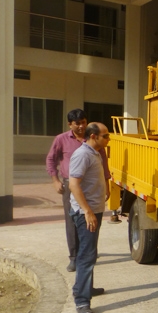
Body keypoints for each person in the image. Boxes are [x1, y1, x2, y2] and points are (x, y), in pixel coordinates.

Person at [46, 109, 110, 272]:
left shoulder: (93, 138)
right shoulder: (62, 139)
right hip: (72, 185)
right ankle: (74, 257)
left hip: (93, 186)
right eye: (77, 123)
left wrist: (107, 186)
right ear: (70, 124)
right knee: (74, 221)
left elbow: (103, 164)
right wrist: (55, 180)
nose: (81, 126)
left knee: (93, 222)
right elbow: (51, 159)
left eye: (83, 122)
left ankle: (89, 254)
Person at [69, 122, 111, 313]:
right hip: (87, 212)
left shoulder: (95, 153)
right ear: (93, 136)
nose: (108, 139)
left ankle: (85, 287)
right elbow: (74, 185)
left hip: (94, 210)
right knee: (86, 255)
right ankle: (82, 301)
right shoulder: (83, 154)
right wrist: (87, 211)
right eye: (105, 136)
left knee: (90, 253)